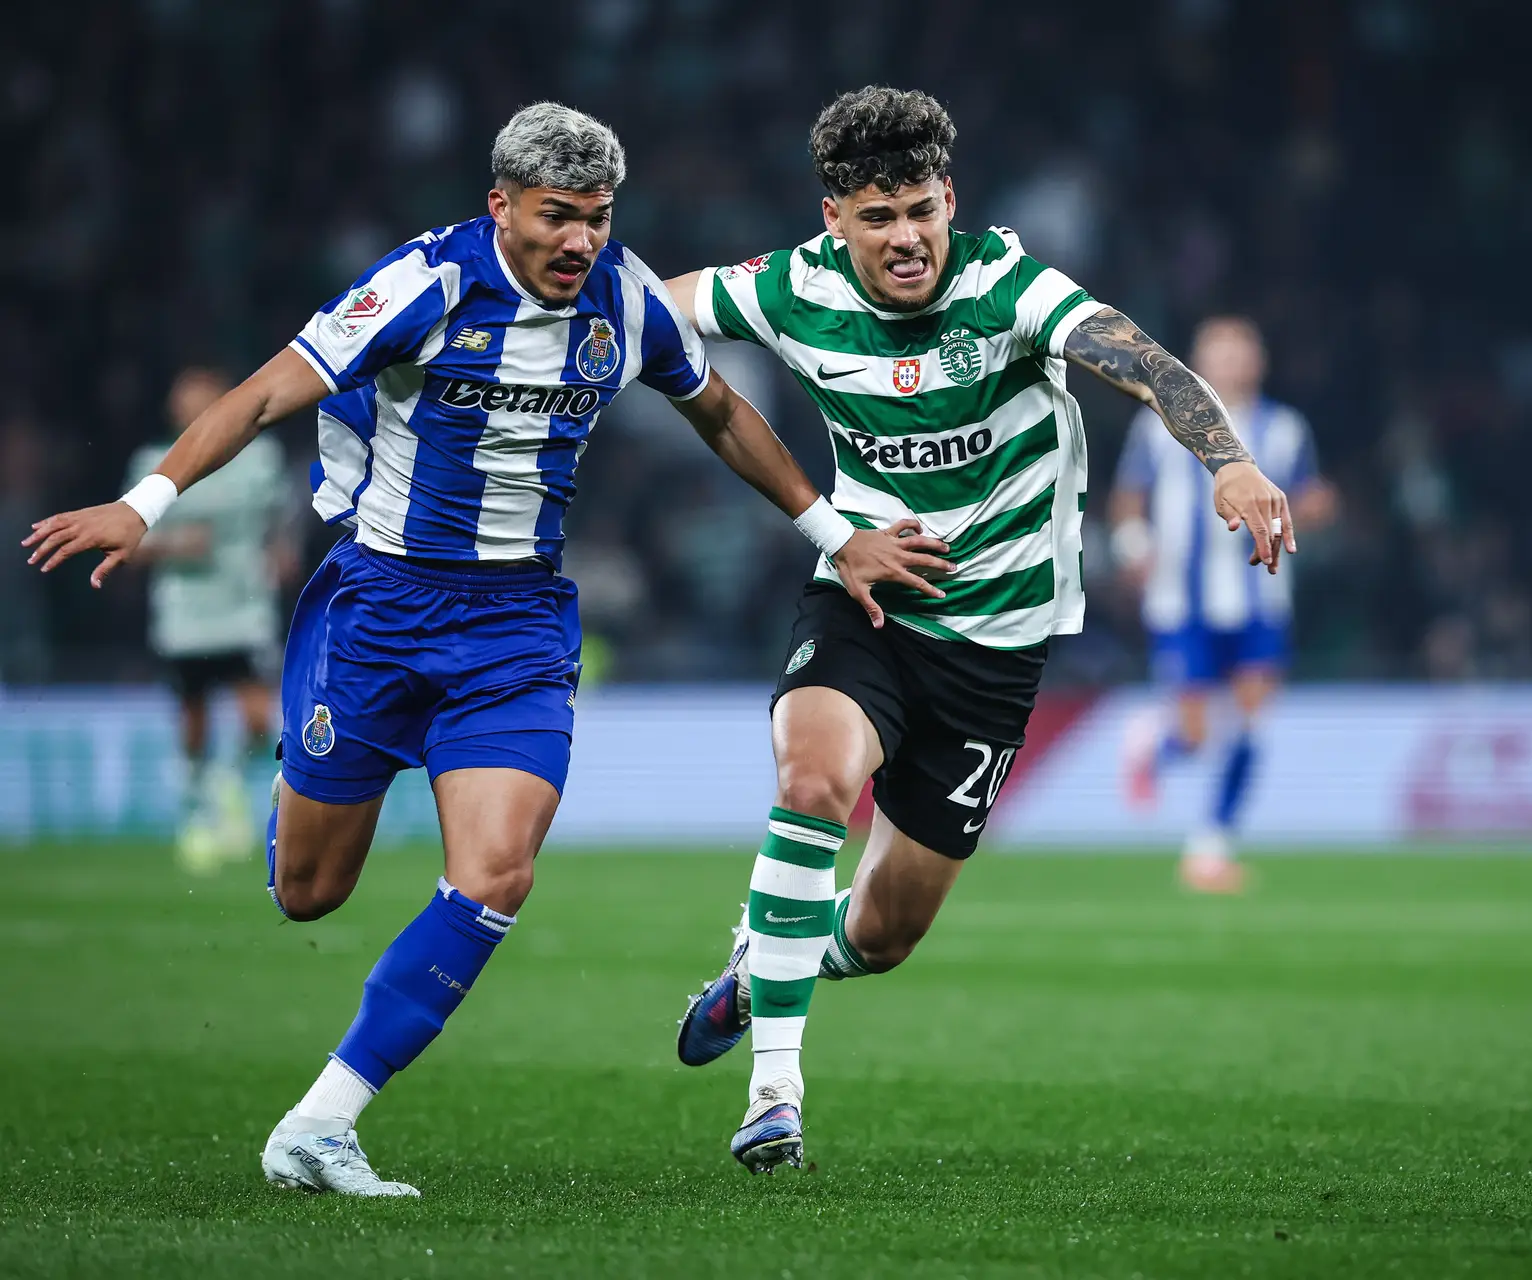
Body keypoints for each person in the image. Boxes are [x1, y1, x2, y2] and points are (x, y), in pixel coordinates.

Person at [24, 102, 935, 1197]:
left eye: (597, 219)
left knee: (498, 870)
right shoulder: (422, 286)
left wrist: (836, 537)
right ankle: (303, 789)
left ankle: (322, 1120)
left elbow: (723, 412)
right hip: (379, 607)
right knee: (309, 891)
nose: (579, 243)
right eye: (557, 218)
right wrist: (147, 500)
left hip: (514, 626)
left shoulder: (625, 298)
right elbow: (272, 386)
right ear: (500, 204)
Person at [665, 86, 1296, 1173]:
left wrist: (1227, 458)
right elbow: (641, 305)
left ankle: (762, 965)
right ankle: (776, 1090)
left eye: (921, 208)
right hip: (867, 596)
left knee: (884, 931)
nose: (906, 237)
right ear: (835, 220)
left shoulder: (1006, 283)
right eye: (879, 217)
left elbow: (1138, 355)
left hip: (999, 641)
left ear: (948, 197)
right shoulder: (786, 288)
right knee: (813, 779)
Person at [1109, 317, 1339, 893]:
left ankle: (1210, 847)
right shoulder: (1159, 423)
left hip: (1260, 599)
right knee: (1195, 733)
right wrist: (1134, 547)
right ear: (1197, 361)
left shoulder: (1285, 427)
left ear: (1258, 361)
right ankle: (1156, 744)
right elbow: (1128, 501)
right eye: (1220, 353)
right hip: (1181, 602)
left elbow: (1306, 498)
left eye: (1241, 352)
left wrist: (1313, 510)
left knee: (1249, 725)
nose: (1231, 363)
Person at [127, 367, 292, 870]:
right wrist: (175, 545)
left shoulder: (259, 458)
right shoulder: (153, 463)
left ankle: (225, 784)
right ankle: (198, 805)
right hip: (184, 614)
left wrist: (282, 548)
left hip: (244, 608)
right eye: (184, 400)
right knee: (194, 716)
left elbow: (284, 513)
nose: (192, 407)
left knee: (259, 718)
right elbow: (128, 540)